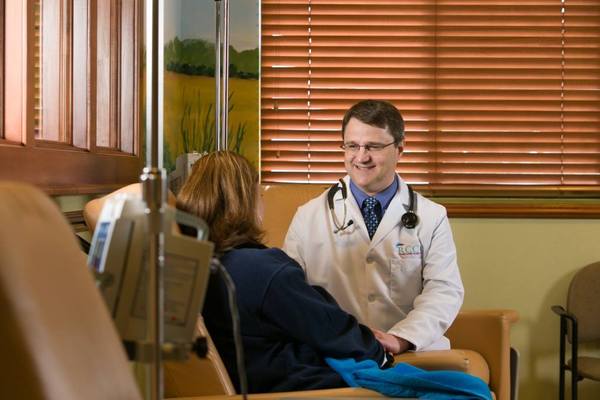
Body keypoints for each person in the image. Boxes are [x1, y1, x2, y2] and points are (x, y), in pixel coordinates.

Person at [176, 151, 391, 394]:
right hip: (313, 391)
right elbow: (337, 334)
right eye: (258, 195)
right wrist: (377, 349)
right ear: (246, 203)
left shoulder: (191, 270)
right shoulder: (263, 270)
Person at [283, 100, 464, 354]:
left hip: (409, 354)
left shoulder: (432, 217)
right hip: (336, 353)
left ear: (399, 149)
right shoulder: (308, 217)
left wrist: (401, 338)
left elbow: (443, 291)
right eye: (352, 146)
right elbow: (290, 294)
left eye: (373, 146)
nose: (361, 157)